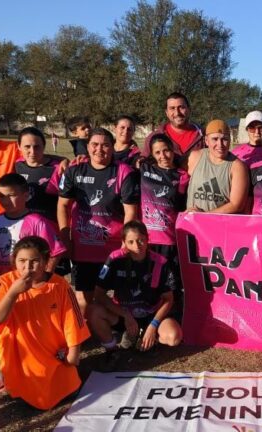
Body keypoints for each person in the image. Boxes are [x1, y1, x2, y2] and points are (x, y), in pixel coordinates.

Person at [0, 236, 90, 409]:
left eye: (35, 261)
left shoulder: (59, 285)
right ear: (14, 261)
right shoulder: (3, 283)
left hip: (53, 353)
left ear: (46, 261)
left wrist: (73, 353)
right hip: (19, 355)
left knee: (70, 390)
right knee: (22, 396)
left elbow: (73, 321)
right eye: (22, 261)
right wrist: (13, 293)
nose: (28, 267)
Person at [58, 127, 139, 314]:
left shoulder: (124, 172)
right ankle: (86, 331)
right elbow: (63, 206)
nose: (99, 149)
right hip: (83, 247)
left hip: (112, 247)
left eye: (105, 145)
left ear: (112, 147)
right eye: (94, 144)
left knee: (120, 294)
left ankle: (119, 326)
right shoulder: (74, 171)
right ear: (87, 147)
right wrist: (65, 237)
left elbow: (130, 212)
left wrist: (125, 245)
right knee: (83, 298)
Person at [87, 222, 182, 371]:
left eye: (141, 240)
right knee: (93, 310)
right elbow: (99, 295)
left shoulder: (160, 262)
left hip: (151, 315)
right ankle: (112, 350)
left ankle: (146, 337)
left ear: (147, 239)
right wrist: (125, 314)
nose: (137, 245)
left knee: (173, 337)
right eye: (131, 242)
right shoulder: (115, 260)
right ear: (124, 242)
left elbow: (169, 299)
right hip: (123, 315)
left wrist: (153, 326)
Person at [138, 133, 189, 319]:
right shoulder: (144, 169)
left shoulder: (182, 177)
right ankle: (144, 320)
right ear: (152, 154)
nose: (163, 156)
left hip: (169, 240)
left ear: (173, 150)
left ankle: (174, 318)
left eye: (166, 150)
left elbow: (183, 205)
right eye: (158, 152)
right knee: (146, 282)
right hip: (147, 240)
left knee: (171, 283)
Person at [0, 173, 66, 279]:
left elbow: (55, 252)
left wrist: (43, 277)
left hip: (28, 286)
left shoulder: (37, 222)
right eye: (2, 196)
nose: (6, 201)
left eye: (11, 196)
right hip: (0, 286)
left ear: (26, 195)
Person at [185, 119, 249, 213]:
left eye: (224, 139)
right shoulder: (195, 157)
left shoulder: (237, 167)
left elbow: (236, 205)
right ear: (206, 140)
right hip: (191, 224)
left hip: (220, 225)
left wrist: (203, 216)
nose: (220, 144)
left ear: (230, 140)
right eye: (215, 139)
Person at [14, 127, 66, 223]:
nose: (32, 151)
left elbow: (66, 203)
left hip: (49, 227)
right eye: (27, 147)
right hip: (22, 225)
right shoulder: (17, 165)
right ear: (19, 146)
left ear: (44, 146)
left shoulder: (58, 168)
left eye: (37, 147)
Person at [142, 92, 203, 164]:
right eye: (172, 108)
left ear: (189, 110)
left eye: (181, 107)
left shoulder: (203, 136)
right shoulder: (153, 138)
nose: (177, 113)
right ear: (167, 113)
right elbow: (144, 163)